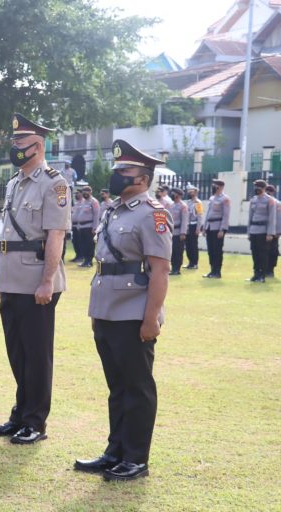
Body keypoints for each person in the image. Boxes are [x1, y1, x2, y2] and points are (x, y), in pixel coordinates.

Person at [74, 139, 172, 482]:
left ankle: (135, 458)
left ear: (142, 178)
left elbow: (160, 270)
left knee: (137, 386)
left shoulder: (153, 213)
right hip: (106, 308)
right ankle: (114, 451)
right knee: (117, 387)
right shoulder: (113, 209)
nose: (116, 175)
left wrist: (151, 318)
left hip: (133, 312)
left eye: (123, 171)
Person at [0, 114, 70, 445]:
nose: (15, 147)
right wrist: (1, 278)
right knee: (17, 351)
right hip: (11, 278)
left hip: (37, 279)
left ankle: (35, 421)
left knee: (36, 354)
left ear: (37, 145)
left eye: (20, 142)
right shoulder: (13, 183)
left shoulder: (54, 183)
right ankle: (20, 412)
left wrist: (47, 281)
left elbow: (55, 236)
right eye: (15, 142)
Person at [246, 179, 277, 283]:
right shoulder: (253, 200)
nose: (256, 189)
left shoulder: (270, 200)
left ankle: (262, 275)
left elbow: (272, 218)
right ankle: (256, 274)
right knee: (254, 253)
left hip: (263, 231)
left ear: (263, 188)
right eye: (255, 186)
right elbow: (250, 217)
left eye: (258, 187)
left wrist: (270, 233)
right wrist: (249, 232)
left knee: (262, 254)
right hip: (254, 230)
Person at [202, 179, 230, 279]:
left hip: (218, 227)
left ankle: (217, 272)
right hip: (210, 226)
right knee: (211, 251)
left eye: (216, 185)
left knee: (217, 250)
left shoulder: (225, 199)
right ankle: (212, 270)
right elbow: (208, 214)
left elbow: (226, 215)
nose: (214, 187)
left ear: (221, 187)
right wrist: (204, 227)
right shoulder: (212, 198)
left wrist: (222, 229)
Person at [75, 185, 100, 267]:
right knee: (83, 244)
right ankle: (85, 260)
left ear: (90, 192)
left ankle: (89, 261)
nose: (85, 193)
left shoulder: (94, 202)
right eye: (83, 191)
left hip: (89, 227)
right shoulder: (82, 202)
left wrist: (95, 228)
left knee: (89, 245)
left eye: (86, 191)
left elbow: (96, 215)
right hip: (81, 227)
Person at [167, 188, 189, 275]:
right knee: (171, 251)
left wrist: (183, 232)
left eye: (174, 193)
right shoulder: (170, 205)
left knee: (178, 251)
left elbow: (185, 220)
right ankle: (173, 267)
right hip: (170, 232)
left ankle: (177, 268)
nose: (172, 195)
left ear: (178, 195)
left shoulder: (183, 206)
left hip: (178, 231)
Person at [184, 184, 204, 270]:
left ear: (195, 192)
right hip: (188, 226)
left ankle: (195, 263)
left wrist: (198, 228)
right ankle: (190, 262)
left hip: (194, 225)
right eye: (188, 191)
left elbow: (200, 216)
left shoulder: (198, 203)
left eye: (190, 191)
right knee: (188, 245)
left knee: (193, 245)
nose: (189, 193)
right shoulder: (188, 202)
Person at [266, 185, 280, 277]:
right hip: (263, 231)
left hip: (274, 232)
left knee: (273, 251)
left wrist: (278, 232)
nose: (268, 193)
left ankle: (270, 270)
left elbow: (279, 219)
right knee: (263, 252)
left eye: (269, 191)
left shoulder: (277, 204)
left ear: (273, 193)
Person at [70, 190, 83, 262]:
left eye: (77, 193)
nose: (76, 195)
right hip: (74, 226)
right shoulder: (75, 203)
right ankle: (77, 255)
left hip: (80, 226)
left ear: (81, 194)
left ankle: (81, 256)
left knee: (80, 242)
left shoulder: (84, 202)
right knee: (75, 242)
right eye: (75, 194)